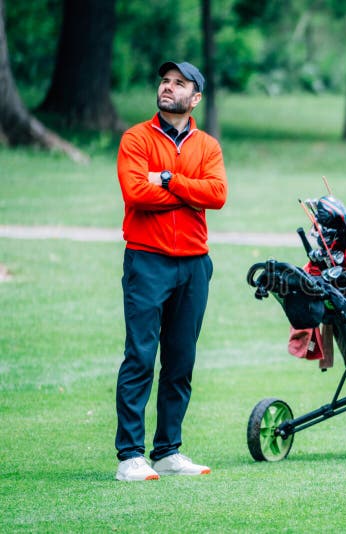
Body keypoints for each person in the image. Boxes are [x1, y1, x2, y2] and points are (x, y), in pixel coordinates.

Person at [114, 61, 227, 481]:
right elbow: (136, 193)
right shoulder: (136, 138)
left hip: (195, 264)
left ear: (194, 98)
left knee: (181, 360)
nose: (168, 87)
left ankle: (167, 451)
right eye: (164, 80)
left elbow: (216, 195)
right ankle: (130, 455)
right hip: (147, 259)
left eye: (179, 83)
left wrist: (167, 179)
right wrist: (185, 189)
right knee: (140, 356)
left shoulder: (208, 146)